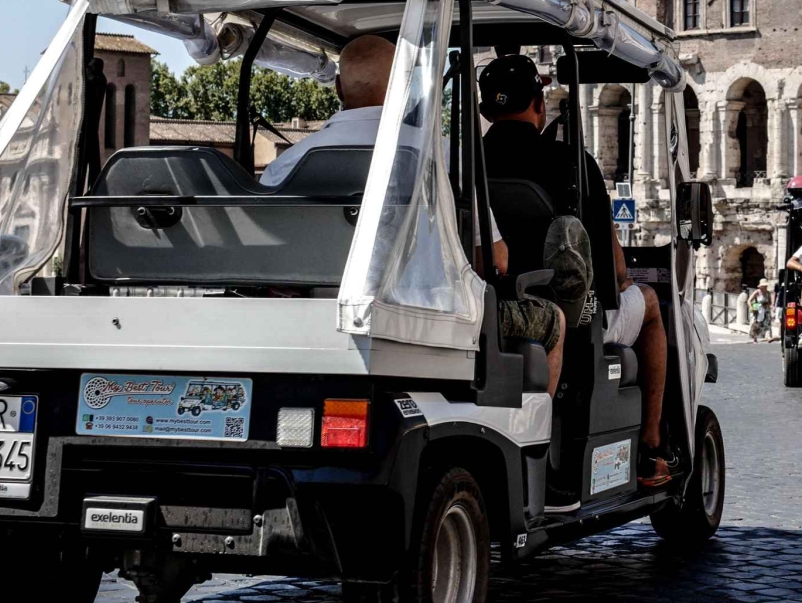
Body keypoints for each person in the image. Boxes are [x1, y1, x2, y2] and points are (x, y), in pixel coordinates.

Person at [257, 37, 569, 395]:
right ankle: (541, 442)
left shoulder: (284, 165)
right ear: (405, 85)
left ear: (339, 87)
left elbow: (274, 270)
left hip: (320, 321)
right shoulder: (443, 159)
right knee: (554, 321)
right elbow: (494, 261)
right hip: (428, 320)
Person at [478, 54, 675, 489]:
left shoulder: (463, 163)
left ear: (485, 110)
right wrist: (619, 281)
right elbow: (616, 270)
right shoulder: (572, 163)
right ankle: (651, 445)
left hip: (486, 300)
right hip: (569, 313)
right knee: (649, 305)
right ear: (539, 103)